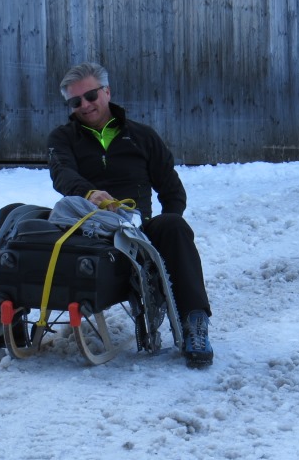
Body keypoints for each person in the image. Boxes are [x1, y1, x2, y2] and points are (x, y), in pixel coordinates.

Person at [47, 61, 213, 367]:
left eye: (91, 96)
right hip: (84, 223)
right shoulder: (63, 138)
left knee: (174, 226)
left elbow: (172, 191)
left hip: (135, 228)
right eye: (75, 102)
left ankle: (195, 322)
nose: (85, 105)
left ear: (107, 92)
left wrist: (158, 236)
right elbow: (62, 172)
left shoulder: (142, 137)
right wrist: (89, 193)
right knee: (15, 216)